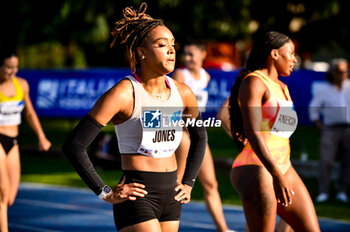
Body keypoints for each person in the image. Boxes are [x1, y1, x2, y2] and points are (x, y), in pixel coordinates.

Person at [61, 3, 207, 232]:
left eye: (173, 45)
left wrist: (188, 182)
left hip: (172, 195)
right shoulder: (123, 94)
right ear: (141, 52)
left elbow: (200, 136)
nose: (171, 50)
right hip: (137, 195)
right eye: (161, 45)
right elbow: (74, 145)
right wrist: (104, 192)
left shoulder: (184, 93)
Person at [226, 31, 320, 231]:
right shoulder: (254, 82)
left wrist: (280, 171)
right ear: (275, 54)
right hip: (258, 168)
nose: (295, 59)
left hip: (284, 167)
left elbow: (279, 134)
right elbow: (253, 132)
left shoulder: (283, 87)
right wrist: (275, 173)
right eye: (291, 53)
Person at [172, 40, 232, 232]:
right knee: (177, 184)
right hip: (181, 133)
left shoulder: (205, 77)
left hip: (197, 132)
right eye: (185, 54)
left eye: (191, 54)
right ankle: (165, 225)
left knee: (210, 183)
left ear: (202, 54)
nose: (187, 58)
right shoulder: (181, 74)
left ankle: (223, 229)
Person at [0, 50, 52, 232]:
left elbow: (29, 113)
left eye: (15, 67)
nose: (12, 71)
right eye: (8, 67)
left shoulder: (21, 85)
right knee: (2, 191)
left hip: (12, 141)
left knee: (10, 198)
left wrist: (41, 136)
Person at [309, 58, 350, 203]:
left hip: (348, 129)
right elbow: (314, 108)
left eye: (345, 71)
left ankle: (341, 191)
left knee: (347, 162)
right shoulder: (324, 89)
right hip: (330, 129)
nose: (342, 74)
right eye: (339, 71)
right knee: (326, 161)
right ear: (332, 72)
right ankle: (324, 191)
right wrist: (319, 124)